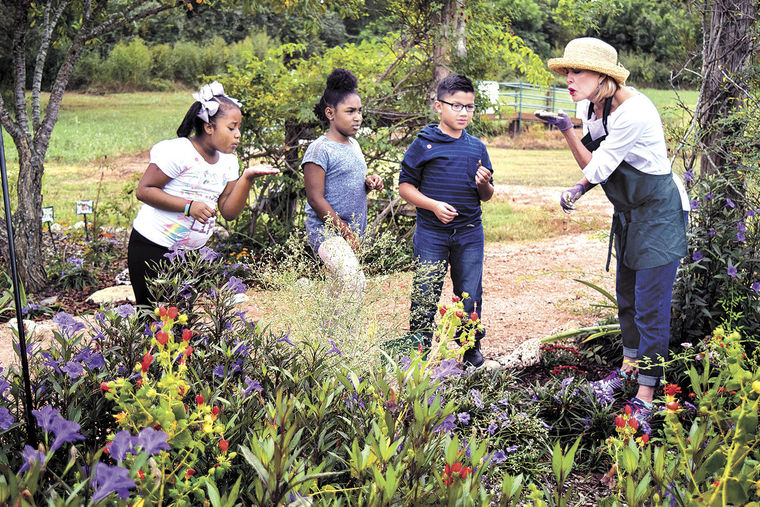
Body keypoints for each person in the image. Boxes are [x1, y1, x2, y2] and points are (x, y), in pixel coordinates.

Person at [538, 37, 689, 424]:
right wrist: (578, 189)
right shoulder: (594, 106)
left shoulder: (634, 112)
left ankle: (646, 395)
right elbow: (603, 163)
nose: (568, 79)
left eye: (577, 72)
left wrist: (567, 132)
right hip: (630, 214)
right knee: (627, 299)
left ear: (602, 76)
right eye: (567, 72)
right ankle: (628, 371)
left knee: (650, 307)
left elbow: (597, 167)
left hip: (658, 214)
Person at [128, 81, 279, 308]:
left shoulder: (228, 162)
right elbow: (145, 190)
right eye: (231, 128)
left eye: (239, 129)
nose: (238, 135)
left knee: (181, 322)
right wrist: (189, 206)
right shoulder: (180, 152)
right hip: (152, 248)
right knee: (153, 319)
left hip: (191, 255)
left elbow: (228, 211)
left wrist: (246, 178)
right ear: (209, 127)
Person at [399, 74, 494, 368]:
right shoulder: (424, 143)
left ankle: (469, 346)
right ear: (439, 106)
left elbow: (487, 195)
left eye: (469, 106)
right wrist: (433, 205)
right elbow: (405, 187)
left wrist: (483, 183)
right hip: (432, 233)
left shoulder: (476, 147)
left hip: (468, 233)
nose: (464, 112)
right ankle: (418, 348)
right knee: (425, 290)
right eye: (456, 106)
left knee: (470, 292)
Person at [302, 68, 383, 307]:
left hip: (351, 232)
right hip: (327, 232)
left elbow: (348, 185)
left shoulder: (354, 145)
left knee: (340, 291)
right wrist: (345, 232)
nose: (357, 117)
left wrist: (368, 184)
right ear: (330, 112)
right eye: (350, 111)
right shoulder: (319, 150)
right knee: (354, 281)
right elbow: (316, 199)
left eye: (359, 111)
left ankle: (332, 341)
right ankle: (343, 339)